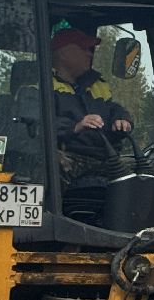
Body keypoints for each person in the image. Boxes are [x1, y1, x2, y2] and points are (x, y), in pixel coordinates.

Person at [50, 26, 134, 184]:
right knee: (53, 166)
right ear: (63, 53)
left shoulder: (97, 86)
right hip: (68, 156)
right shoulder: (41, 86)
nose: (90, 54)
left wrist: (121, 119)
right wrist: (75, 127)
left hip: (104, 157)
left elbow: (113, 109)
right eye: (84, 49)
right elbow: (34, 125)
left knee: (146, 173)